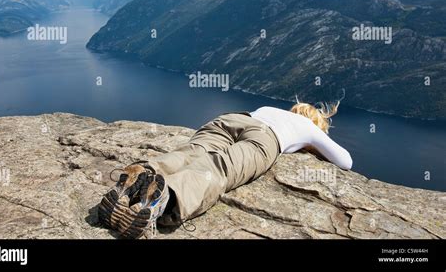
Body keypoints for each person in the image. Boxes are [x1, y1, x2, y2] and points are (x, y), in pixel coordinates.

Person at [98, 101, 352, 239]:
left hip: (230, 120)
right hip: (264, 137)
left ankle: (142, 174)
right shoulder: (309, 128)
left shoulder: (269, 109)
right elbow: (345, 161)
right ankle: (165, 198)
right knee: (219, 168)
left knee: (193, 151)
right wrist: (312, 143)